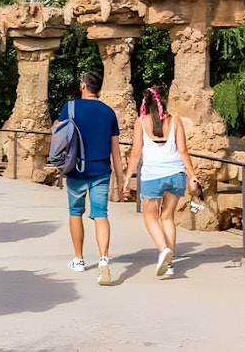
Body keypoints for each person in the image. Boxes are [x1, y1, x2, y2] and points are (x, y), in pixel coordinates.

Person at [121, 86, 199, 278]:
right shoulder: (176, 121)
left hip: (152, 176)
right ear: (164, 102)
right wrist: (192, 175)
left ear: (145, 103)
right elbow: (183, 151)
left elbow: (136, 153)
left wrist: (127, 177)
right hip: (176, 176)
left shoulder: (141, 122)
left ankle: (163, 249)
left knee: (150, 217)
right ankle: (169, 264)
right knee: (167, 218)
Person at [61, 70, 125, 286]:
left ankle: (78, 259)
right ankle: (104, 260)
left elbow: (59, 137)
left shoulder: (69, 108)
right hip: (101, 172)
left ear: (83, 86)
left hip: (75, 170)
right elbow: (115, 151)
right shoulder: (108, 113)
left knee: (75, 212)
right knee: (101, 215)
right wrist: (121, 179)